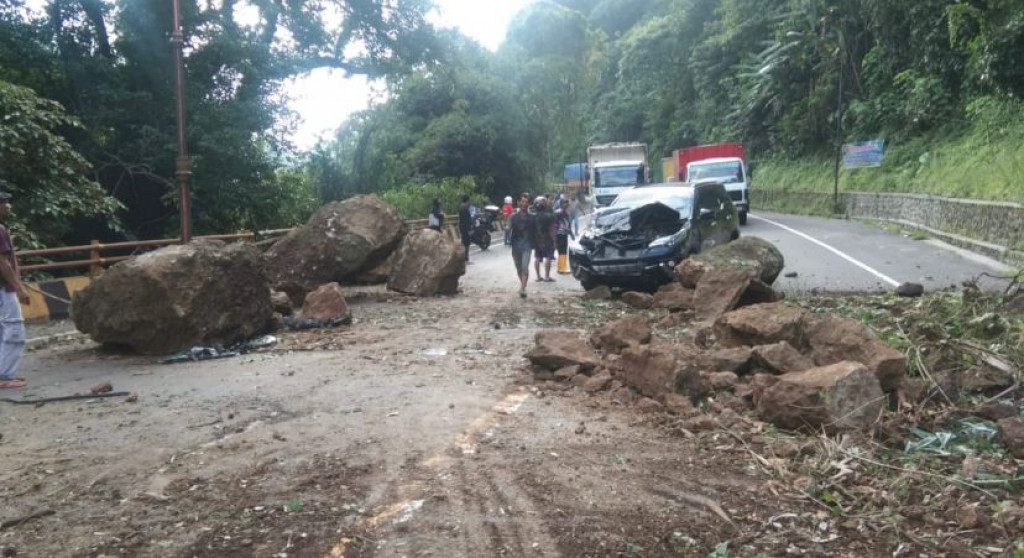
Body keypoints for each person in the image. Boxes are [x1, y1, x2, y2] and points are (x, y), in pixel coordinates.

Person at [0, 192, 30, 390]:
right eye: (4, 203)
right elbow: (2, 262)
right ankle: (4, 375)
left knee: (2, 330)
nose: (9, 206)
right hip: (4, 288)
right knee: (14, 329)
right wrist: (19, 288)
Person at [506, 194, 536, 298]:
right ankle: (523, 284)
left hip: (527, 246)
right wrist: (507, 229)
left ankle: (523, 288)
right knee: (519, 268)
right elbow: (508, 227)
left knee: (524, 267)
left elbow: (536, 232)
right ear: (518, 202)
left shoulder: (532, 218)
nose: (524, 204)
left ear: (528, 204)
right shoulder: (513, 217)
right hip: (516, 246)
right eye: (522, 201)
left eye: (526, 202)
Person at [533, 196, 556, 282]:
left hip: (537, 239)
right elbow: (552, 229)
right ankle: (547, 276)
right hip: (547, 238)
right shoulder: (550, 216)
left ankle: (538, 276)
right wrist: (554, 240)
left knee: (537, 257)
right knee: (548, 257)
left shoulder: (533, 216)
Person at [555, 204, 574, 274]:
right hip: (561, 235)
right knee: (562, 251)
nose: (569, 209)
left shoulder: (562, 214)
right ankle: (562, 268)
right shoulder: (562, 215)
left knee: (562, 251)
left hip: (562, 234)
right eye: (568, 208)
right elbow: (564, 226)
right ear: (565, 208)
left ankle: (561, 267)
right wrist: (570, 233)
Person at [458, 195, 472, 262]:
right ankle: (466, 258)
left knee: (465, 243)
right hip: (465, 228)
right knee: (466, 243)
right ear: (467, 200)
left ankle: (465, 258)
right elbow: (466, 220)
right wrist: (469, 229)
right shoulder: (464, 208)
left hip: (463, 227)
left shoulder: (462, 207)